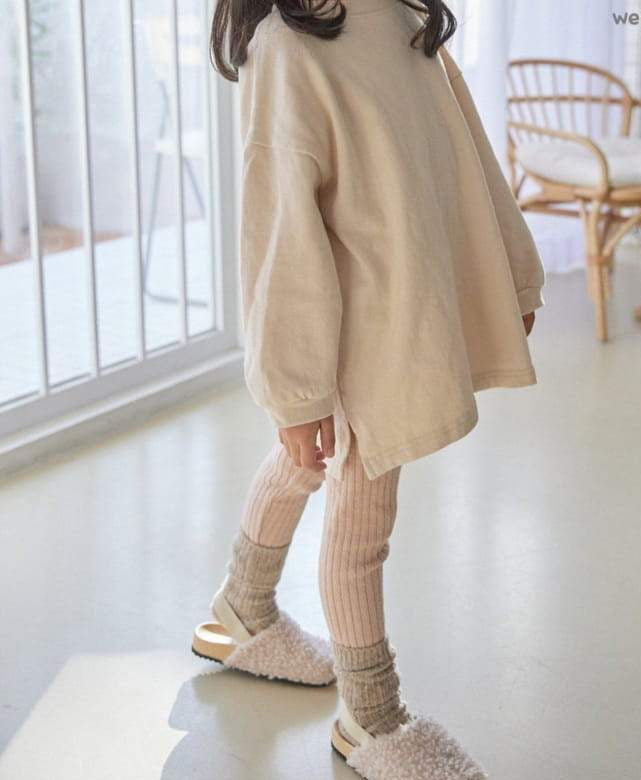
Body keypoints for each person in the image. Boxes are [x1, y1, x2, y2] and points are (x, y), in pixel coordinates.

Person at [192, 0, 545, 777]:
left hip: (403, 307)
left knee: (316, 459)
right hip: (353, 324)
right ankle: (371, 719)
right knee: (361, 515)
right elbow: (279, 231)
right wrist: (295, 393)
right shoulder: (287, 52)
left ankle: (242, 607)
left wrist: (513, 269)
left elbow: (468, 155)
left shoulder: (402, 18)